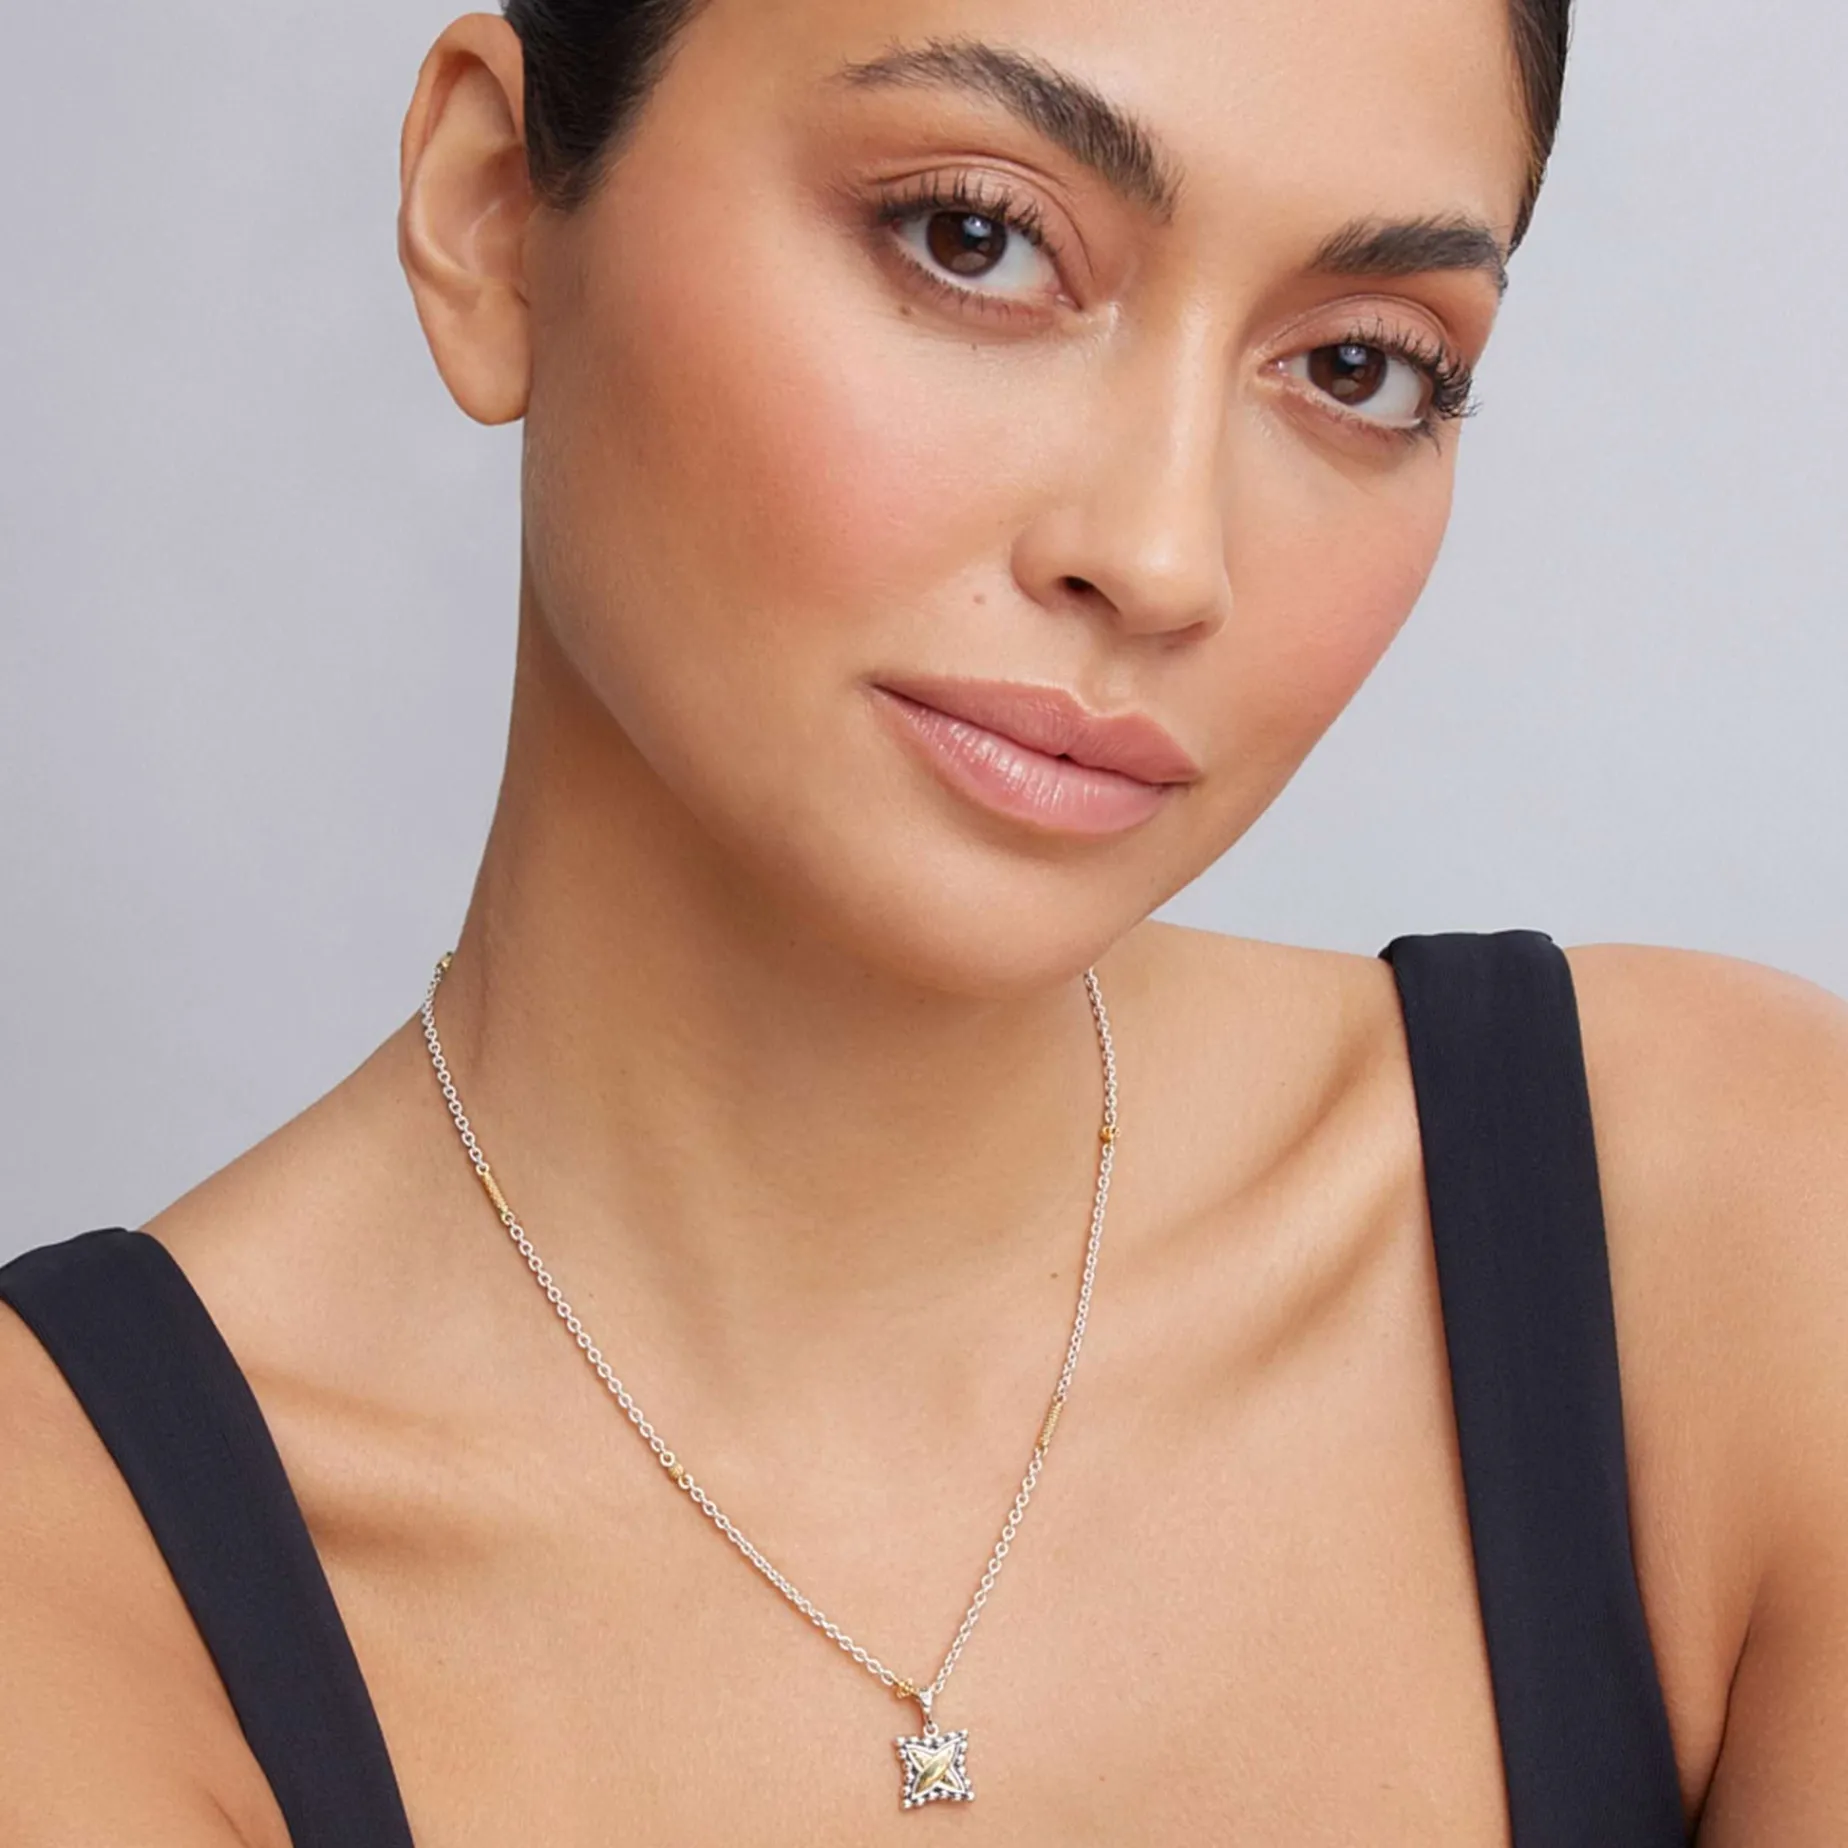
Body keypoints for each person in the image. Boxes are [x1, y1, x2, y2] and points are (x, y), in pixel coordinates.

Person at [2, 0, 1844, 1839]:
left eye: (1358, 367)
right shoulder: (64, 1586)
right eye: (976, 238)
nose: (1163, 555)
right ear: (494, 215)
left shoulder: (1733, 1240)